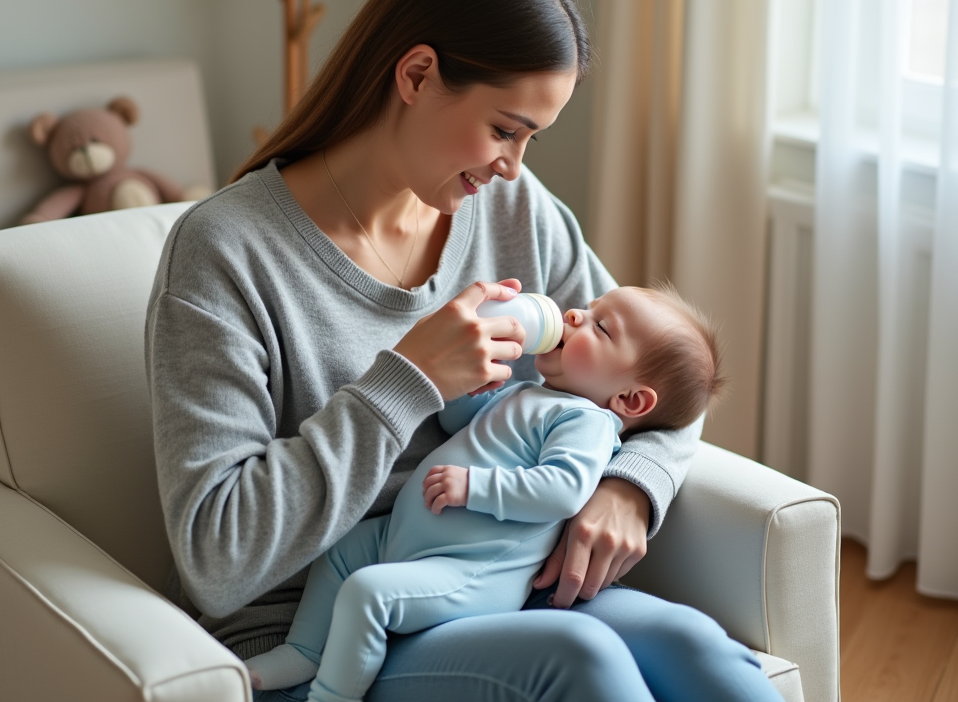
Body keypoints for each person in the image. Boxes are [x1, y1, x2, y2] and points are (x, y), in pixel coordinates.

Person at [146, 0, 783, 702]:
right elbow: (217, 560)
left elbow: (662, 369)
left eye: (532, 139)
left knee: (697, 649)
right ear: (417, 74)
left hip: (498, 576)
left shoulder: (513, 208)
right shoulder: (226, 253)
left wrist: (629, 485)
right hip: (329, 626)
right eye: (505, 129)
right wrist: (406, 382)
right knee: (582, 660)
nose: (514, 165)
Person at [244, 286, 727, 702]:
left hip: (466, 568)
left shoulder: (587, 422)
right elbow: (458, 423)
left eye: (601, 328)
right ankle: (304, 651)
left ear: (628, 400)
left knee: (366, 593)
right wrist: (465, 386)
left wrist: (476, 487)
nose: (575, 314)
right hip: (406, 537)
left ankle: (331, 695)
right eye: (588, 306)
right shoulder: (532, 393)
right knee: (339, 558)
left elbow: (561, 490)